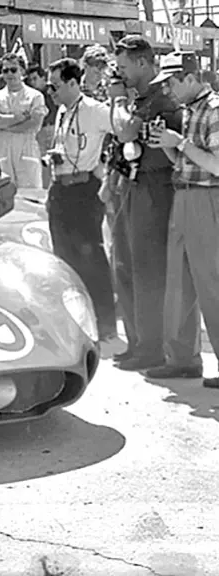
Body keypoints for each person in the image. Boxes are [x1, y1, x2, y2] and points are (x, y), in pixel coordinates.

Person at [143, 51, 219, 387]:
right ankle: (182, 358)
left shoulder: (215, 111)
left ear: (190, 77)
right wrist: (168, 145)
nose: (170, 90)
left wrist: (181, 143)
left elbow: (217, 165)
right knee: (180, 282)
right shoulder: (191, 110)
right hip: (185, 194)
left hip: (208, 199)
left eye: (173, 82)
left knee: (212, 284)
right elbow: (187, 160)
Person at [109, 35, 180, 371]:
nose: (120, 72)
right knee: (124, 262)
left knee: (147, 268)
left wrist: (119, 102)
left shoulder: (159, 98)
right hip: (134, 183)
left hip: (155, 186)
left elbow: (124, 132)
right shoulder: (141, 98)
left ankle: (152, 346)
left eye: (123, 66)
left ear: (141, 62)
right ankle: (137, 341)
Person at [45, 58, 117, 341]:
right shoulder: (63, 109)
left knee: (91, 255)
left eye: (56, 86)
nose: (52, 92)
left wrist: (107, 169)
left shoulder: (95, 110)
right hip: (60, 186)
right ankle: (77, 318)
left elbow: (122, 130)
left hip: (84, 189)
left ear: (74, 83)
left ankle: (106, 321)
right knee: (64, 256)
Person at [0, 54, 47, 189]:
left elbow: (34, 125)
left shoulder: (35, 96)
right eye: (5, 70)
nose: (9, 74)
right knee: (2, 198)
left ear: (23, 72)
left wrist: (5, 126)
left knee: (30, 199)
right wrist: (18, 118)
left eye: (13, 70)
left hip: (27, 152)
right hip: (2, 153)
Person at [26, 64, 59, 188]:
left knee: (54, 161)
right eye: (31, 80)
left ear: (43, 78)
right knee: (42, 162)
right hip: (39, 131)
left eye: (35, 79)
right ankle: (45, 188)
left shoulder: (51, 91)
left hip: (52, 128)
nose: (33, 82)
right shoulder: (32, 95)